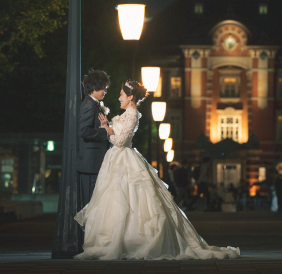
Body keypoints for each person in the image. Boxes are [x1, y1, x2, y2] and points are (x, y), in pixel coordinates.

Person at [74, 80, 240, 260]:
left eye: (121, 94)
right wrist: (108, 127)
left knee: (128, 200)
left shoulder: (132, 114)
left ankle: (130, 240)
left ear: (131, 97)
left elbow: (120, 141)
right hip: (116, 160)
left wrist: (106, 128)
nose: (118, 97)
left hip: (123, 159)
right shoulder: (127, 114)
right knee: (117, 200)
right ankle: (120, 239)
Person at [77, 70, 115, 221]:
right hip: (90, 164)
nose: (105, 91)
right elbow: (83, 130)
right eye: (103, 87)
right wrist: (104, 133)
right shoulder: (88, 105)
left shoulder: (94, 105)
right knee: (90, 206)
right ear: (94, 87)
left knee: (94, 205)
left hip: (94, 163)